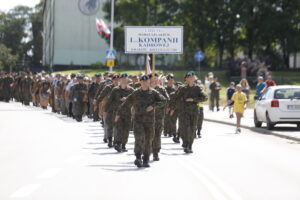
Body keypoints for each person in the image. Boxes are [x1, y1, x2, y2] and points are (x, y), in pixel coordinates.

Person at [115, 75, 166, 168]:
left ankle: (146, 159)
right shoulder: (136, 93)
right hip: (138, 120)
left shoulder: (153, 93)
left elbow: (164, 101)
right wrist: (118, 114)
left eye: (146, 82)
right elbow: (126, 103)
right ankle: (138, 157)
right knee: (139, 139)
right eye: (142, 82)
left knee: (148, 140)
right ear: (140, 82)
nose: (144, 83)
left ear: (149, 82)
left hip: (150, 121)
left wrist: (153, 106)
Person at [171, 71, 207, 153]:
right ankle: (186, 145)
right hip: (184, 112)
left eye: (192, 77)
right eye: (189, 77)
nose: (191, 78)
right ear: (186, 79)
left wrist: (194, 99)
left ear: (194, 78)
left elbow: (205, 98)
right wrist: (172, 108)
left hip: (194, 112)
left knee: (192, 129)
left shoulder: (198, 88)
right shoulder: (183, 89)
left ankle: (190, 145)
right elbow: (176, 98)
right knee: (185, 129)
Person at [106, 73, 134, 152]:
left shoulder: (131, 90)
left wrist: (127, 100)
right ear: (120, 80)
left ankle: (123, 145)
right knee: (118, 128)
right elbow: (109, 101)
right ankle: (117, 143)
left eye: (126, 78)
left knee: (126, 130)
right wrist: (105, 111)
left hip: (128, 113)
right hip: (117, 113)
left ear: (127, 79)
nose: (124, 80)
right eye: (122, 78)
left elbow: (135, 100)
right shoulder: (115, 90)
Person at [149, 73, 169, 161]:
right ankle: (147, 151)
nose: (155, 81)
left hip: (158, 116)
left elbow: (167, 100)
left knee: (157, 134)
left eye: (156, 79)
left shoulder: (161, 89)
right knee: (148, 135)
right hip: (146, 117)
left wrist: (155, 103)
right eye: (153, 79)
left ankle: (156, 152)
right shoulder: (145, 89)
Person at [98, 74, 119, 147]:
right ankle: (110, 140)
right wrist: (100, 109)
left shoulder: (122, 88)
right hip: (109, 110)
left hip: (119, 111)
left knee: (118, 127)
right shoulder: (108, 88)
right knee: (109, 126)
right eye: (115, 80)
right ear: (112, 80)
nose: (116, 81)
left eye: (118, 80)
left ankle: (116, 141)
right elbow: (101, 97)